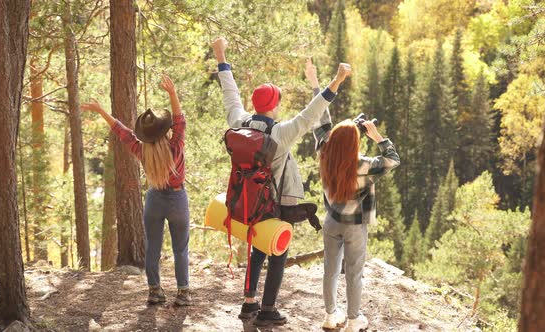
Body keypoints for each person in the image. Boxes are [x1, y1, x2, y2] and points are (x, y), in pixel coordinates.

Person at [211, 37, 352, 327]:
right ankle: (268, 309)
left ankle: (249, 302)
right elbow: (311, 113)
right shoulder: (281, 133)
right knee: (276, 251)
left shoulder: (239, 122)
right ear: (274, 105)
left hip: (247, 200)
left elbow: (230, 94)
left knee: (256, 247)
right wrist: (337, 80)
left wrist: (221, 56)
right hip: (275, 204)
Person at [81, 74, 192, 306]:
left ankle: (155, 291)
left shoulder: (143, 152)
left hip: (154, 199)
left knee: (152, 247)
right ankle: (183, 293)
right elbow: (180, 121)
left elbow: (122, 133)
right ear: (165, 130)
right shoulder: (175, 146)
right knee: (180, 249)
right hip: (177, 199)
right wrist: (172, 94)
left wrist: (102, 111)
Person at [310, 68, 400, 331]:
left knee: (330, 270)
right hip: (355, 226)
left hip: (332, 221)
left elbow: (320, 117)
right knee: (354, 273)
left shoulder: (325, 150)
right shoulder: (363, 165)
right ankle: (352, 319)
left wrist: (316, 83)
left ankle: (330, 316)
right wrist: (378, 137)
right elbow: (393, 160)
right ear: (355, 144)